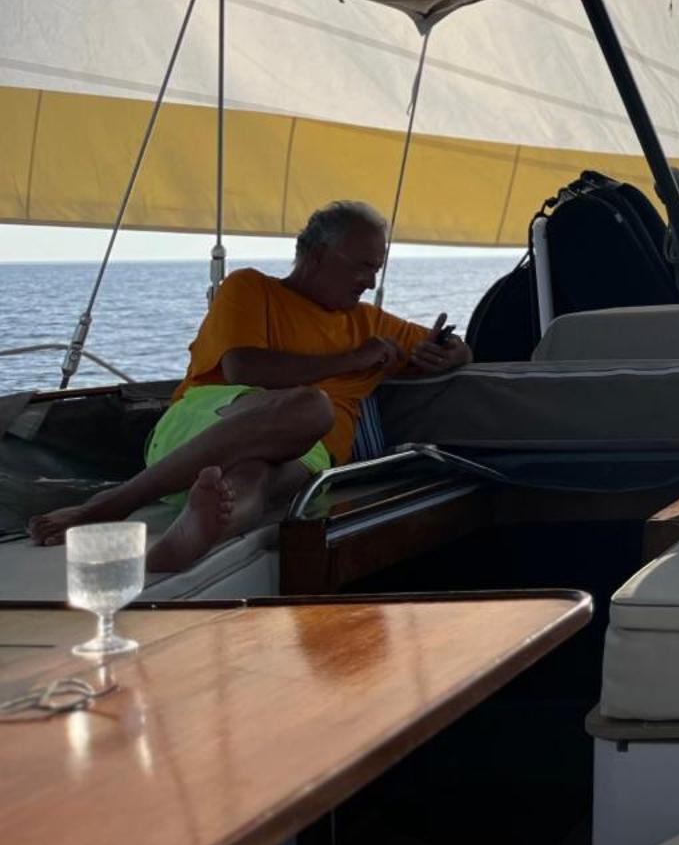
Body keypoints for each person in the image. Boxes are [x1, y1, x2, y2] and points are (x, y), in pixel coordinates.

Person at [29, 200, 471, 571]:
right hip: (204, 421)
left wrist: (454, 353)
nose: (371, 282)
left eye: (377, 269)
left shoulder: (372, 323)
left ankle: (202, 530)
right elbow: (245, 368)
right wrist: (351, 358)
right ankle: (112, 505)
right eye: (362, 267)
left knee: (253, 477)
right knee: (313, 409)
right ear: (317, 254)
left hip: (309, 454)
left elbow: (453, 346)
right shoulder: (251, 289)